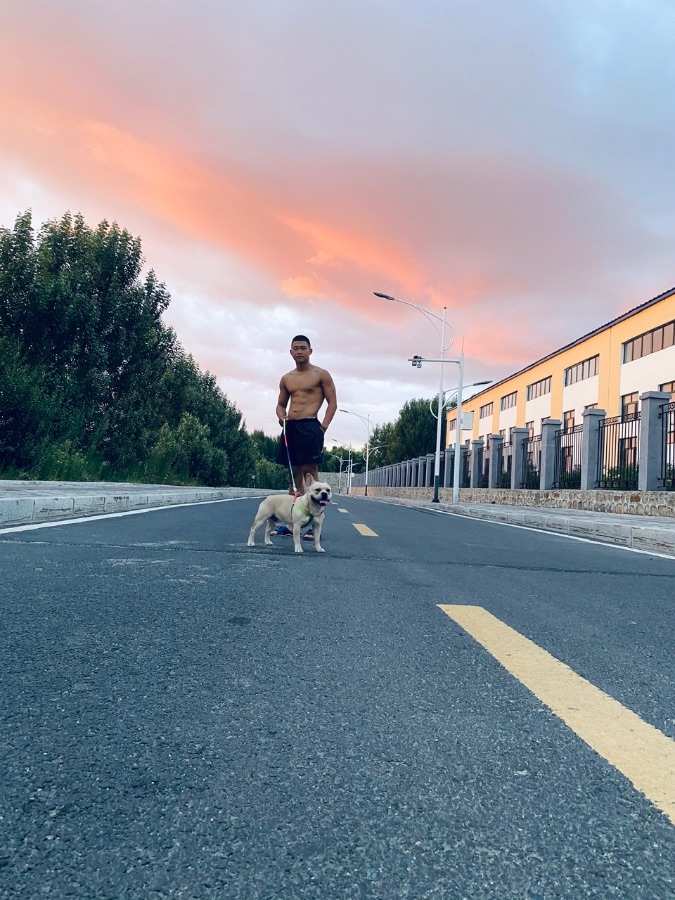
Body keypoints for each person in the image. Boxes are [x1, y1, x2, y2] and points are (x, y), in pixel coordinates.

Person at [274, 335, 337, 536]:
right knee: (293, 475)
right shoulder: (287, 378)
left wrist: (323, 427)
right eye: (296, 348)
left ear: (310, 350)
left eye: (303, 348)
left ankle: (314, 526)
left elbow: (332, 403)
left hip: (310, 427)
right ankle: (292, 524)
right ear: (290, 352)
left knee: (311, 476)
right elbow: (281, 404)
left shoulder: (321, 374)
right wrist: (280, 416)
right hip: (290, 428)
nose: (299, 351)